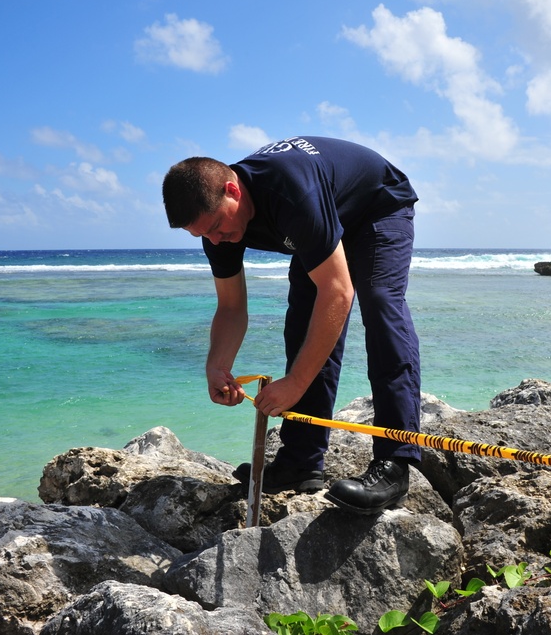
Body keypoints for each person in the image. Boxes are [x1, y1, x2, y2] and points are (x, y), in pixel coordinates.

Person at [162, 136, 422, 515]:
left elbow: (338, 293)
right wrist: (217, 366)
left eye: (217, 226)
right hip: (320, 221)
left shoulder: (292, 191)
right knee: (303, 322)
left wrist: (296, 384)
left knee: (381, 303)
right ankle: (301, 461)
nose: (216, 240)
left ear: (233, 190)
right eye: (203, 236)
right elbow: (232, 307)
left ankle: (395, 464)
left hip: (376, 206)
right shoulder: (217, 226)